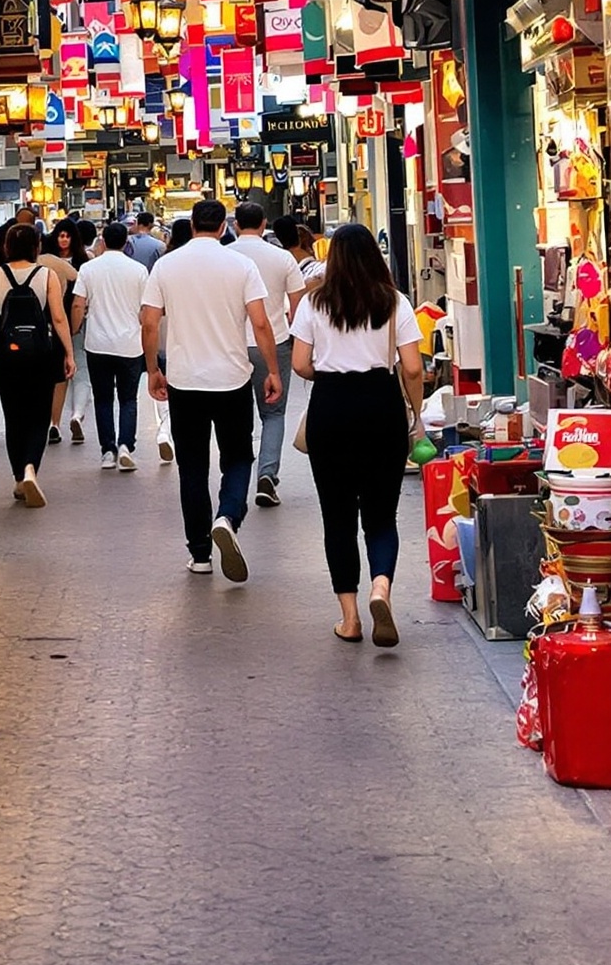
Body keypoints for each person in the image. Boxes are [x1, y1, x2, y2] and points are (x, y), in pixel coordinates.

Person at [289, 220, 424, 647]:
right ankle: (380, 588)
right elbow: (414, 367)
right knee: (382, 515)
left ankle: (349, 619)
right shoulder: (394, 302)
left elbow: (299, 364)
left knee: (338, 518)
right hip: (381, 405)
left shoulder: (314, 304)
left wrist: (329, 373)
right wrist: (415, 411)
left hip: (331, 407)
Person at [141, 199, 281, 581]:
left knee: (192, 468)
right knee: (237, 458)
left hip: (185, 381)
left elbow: (150, 323)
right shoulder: (241, 265)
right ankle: (228, 516)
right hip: (232, 379)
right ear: (223, 227)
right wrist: (271, 370)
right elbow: (261, 324)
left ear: (191, 224)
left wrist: (153, 369)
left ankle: (200, 553)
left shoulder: (166, 266)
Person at [0, 221, 75, 508]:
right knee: (39, 415)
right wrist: (68, 353)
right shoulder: (47, 275)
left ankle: (19, 476)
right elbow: (58, 318)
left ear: (6, 247)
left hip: (5, 355)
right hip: (41, 354)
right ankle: (32, 467)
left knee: (14, 414)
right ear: (36, 246)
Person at [233, 202, 307, 510]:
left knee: (238, 415)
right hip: (274, 343)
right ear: (265, 224)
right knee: (273, 413)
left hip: (233, 345)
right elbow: (298, 303)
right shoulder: (283, 259)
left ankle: (236, 477)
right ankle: (267, 474)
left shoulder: (226, 256)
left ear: (235, 225)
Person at [72, 221, 147, 472]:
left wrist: (75, 329)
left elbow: (78, 304)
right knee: (128, 399)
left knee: (103, 399)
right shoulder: (138, 270)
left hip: (98, 343)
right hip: (130, 344)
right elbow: (145, 310)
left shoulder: (88, 268)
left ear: (103, 242)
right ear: (126, 242)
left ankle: (107, 452)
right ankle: (126, 445)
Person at [40, 220, 84, 444]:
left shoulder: (39, 263)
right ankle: (53, 422)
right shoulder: (63, 265)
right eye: (60, 235)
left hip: (59, 325)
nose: (63, 239)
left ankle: (52, 423)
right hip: (60, 325)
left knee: (60, 375)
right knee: (60, 375)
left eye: (67, 236)